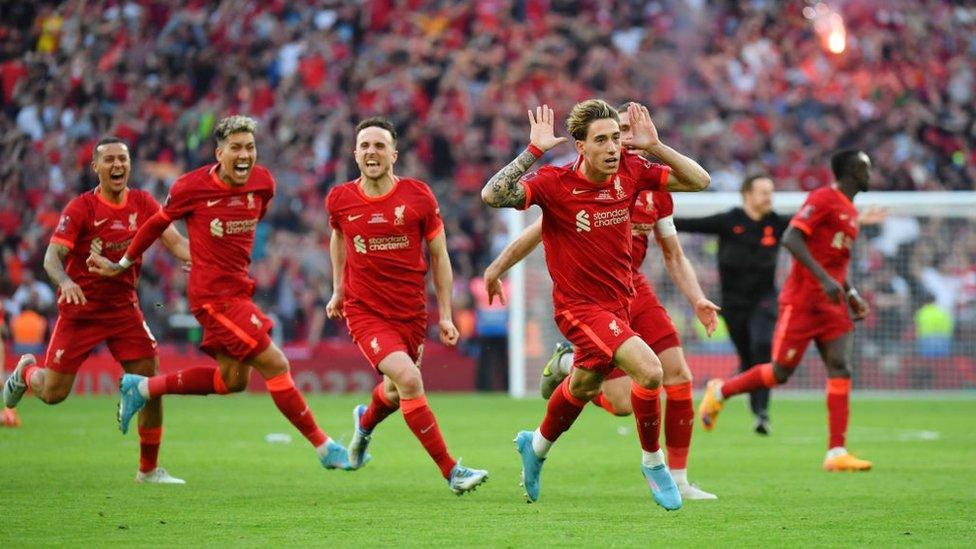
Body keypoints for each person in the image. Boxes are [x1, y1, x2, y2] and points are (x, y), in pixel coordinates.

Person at [87, 116, 352, 472]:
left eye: (250, 148)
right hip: (213, 297)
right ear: (219, 153)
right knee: (276, 363)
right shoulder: (190, 187)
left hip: (239, 291)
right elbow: (156, 225)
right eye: (236, 148)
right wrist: (124, 262)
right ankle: (324, 446)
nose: (245, 155)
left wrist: (211, 250)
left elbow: (249, 219)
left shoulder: (263, 183)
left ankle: (144, 388)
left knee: (232, 380)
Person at [483, 104, 720, 500]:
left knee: (583, 384)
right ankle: (654, 463)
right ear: (580, 146)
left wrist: (656, 146)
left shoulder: (631, 171)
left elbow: (699, 181)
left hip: (622, 299)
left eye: (617, 137)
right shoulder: (555, 183)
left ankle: (536, 446)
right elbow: (493, 194)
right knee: (651, 372)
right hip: (578, 307)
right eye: (603, 140)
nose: (614, 147)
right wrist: (533, 151)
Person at [3, 137, 190, 482]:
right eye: (110, 160)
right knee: (54, 393)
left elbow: (176, 242)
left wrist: (206, 262)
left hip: (123, 311)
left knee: (149, 383)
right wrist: (66, 283)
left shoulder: (143, 203)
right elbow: (51, 258)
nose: (118, 165)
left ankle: (148, 470)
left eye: (123, 159)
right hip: (81, 311)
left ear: (130, 164)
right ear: (96, 168)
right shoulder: (80, 209)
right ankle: (26, 374)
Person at [327, 117, 489, 495]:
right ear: (355, 153)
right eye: (365, 146)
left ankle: (364, 423)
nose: (372, 152)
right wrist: (338, 290)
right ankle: (452, 472)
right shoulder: (340, 199)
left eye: (379, 146)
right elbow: (337, 239)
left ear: (394, 154)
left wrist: (445, 315)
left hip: (412, 313)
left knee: (397, 390)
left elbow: (439, 255)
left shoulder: (418, 197)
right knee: (411, 380)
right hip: (365, 311)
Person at [698, 150, 875, 472]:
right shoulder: (823, 198)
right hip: (803, 301)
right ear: (850, 171)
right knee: (779, 372)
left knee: (841, 367)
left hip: (831, 304)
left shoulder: (850, 211)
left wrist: (850, 293)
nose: (870, 174)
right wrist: (823, 280)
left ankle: (836, 452)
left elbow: (833, 261)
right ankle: (721, 390)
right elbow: (792, 238)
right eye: (865, 168)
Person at [674, 175, 788, 434]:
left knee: (762, 346)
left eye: (771, 192)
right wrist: (653, 219)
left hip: (765, 300)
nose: (769, 197)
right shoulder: (729, 220)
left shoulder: (777, 223)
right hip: (733, 304)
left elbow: (811, 225)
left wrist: (856, 219)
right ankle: (750, 408)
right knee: (748, 357)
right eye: (763, 192)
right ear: (747, 195)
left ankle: (762, 412)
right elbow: (690, 224)